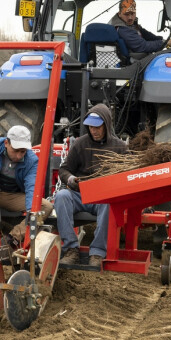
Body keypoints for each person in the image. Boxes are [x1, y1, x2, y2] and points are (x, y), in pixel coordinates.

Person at [55, 104, 128, 269]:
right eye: (90, 126)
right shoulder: (81, 144)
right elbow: (64, 169)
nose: (93, 130)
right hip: (79, 195)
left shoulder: (120, 148)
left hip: (102, 198)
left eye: (97, 127)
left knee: (109, 204)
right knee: (61, 197)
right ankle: (71, 250)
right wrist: (71, 178)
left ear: (106, 125)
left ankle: (97, 252)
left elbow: (126, 177)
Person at [0, 125, 54, 246]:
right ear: (6, 143)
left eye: (22, 151)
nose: (19, 156)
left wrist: (31, 210)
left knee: (46, 206)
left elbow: (31, 186)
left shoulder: (32, 160)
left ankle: (12, 239)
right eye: (15, 151)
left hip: (14, 196)